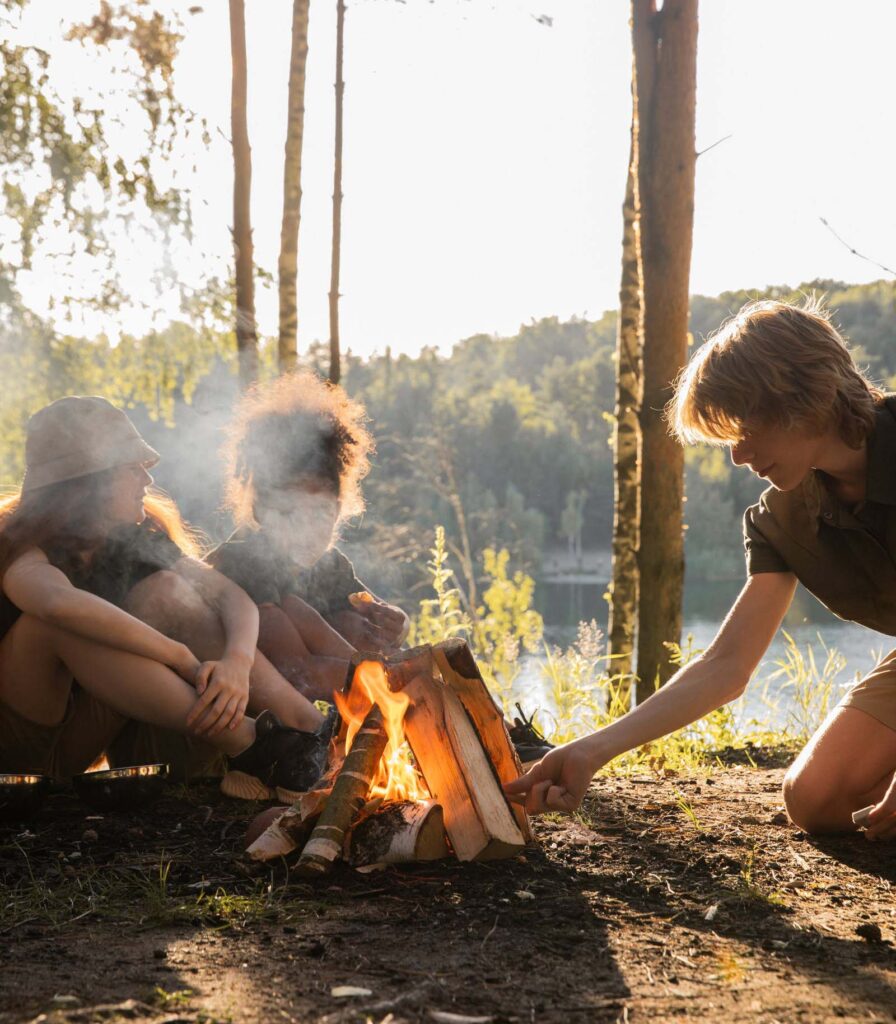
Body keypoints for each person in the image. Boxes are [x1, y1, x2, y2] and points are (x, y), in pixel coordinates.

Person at [506, 299, 896, 841]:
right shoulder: (779, 522)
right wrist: (590, 751)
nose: (737, 456)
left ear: (800, 398)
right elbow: (726, 665)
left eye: (744, 428)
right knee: (814, 800)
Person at [0, 396, 332, 802]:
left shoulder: (128, 540)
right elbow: (55, 604)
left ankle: (307, 732)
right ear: (91, 481)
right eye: (132, 468)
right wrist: (178, 657)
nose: (148, 480)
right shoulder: (18, 546)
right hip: (15, 757)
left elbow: (229, 596)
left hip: (80, 744)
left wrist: (236, 664)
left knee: (167, 592)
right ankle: (250, 744)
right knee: (48, 627)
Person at [208, 372, 410, 702]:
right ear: (260, 509)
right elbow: (298, 671)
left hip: (299, 702)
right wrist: (394, 687)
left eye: (320, 514)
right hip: (237, 714)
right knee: (305, 612)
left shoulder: (330, 566)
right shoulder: (244, 561)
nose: (307, 530)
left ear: (338, 510)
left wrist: (397, 623)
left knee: (351, 620)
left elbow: (379, 621)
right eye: (289, 513)